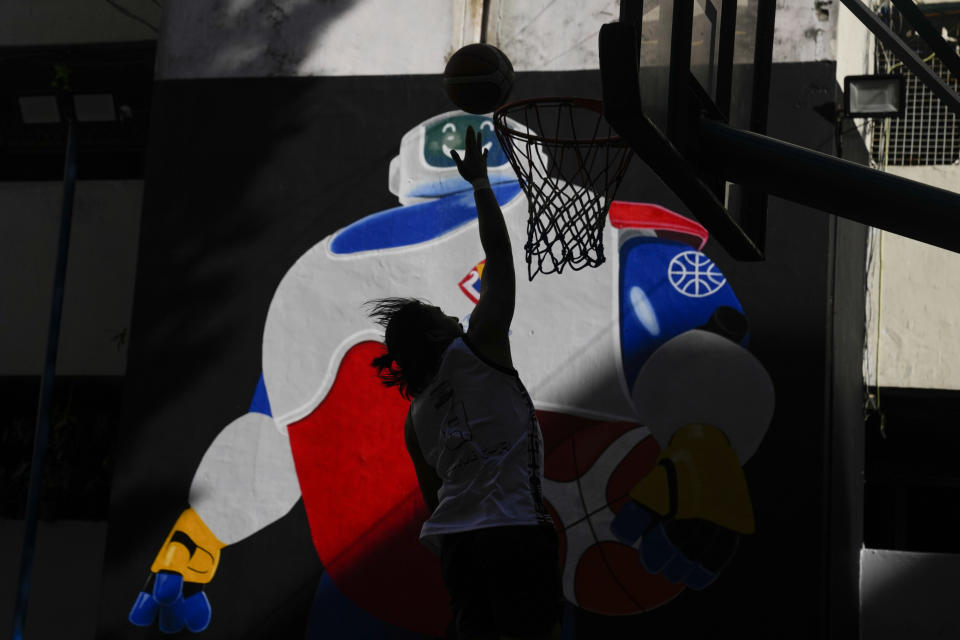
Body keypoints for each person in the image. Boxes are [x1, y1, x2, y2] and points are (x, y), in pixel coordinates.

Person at [367, 126, 563, 640]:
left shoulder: (416, 419)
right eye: (440, 312)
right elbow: (499, 260)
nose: (453, 314)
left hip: (459, 549)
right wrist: (479, 184)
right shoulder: (478, 347)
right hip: (515, 535)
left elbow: (435, 498)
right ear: (436, 331)